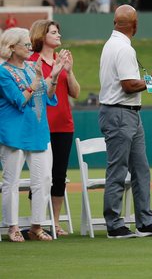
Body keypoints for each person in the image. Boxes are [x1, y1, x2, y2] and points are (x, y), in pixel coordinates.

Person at [98, 5, 152, 238]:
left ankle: (145, 221)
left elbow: (132, 85)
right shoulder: (123, 49)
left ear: (115, 22)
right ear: (135, 24)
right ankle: (114, 224)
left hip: (127, 113)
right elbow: (129, 85)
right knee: (118, 169)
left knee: (140, 169)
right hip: (120, 113)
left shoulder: (113, 45)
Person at [0, 27, 64, 242]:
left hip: (38, 131)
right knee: (12, 181)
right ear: (12, 48)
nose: (30, 48)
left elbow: (47, 96)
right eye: (25, 44)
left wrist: (53, 77)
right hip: (14, 133)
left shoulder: (30, 68)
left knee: (44, 180)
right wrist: (37, 81)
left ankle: (36, 226)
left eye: (29, 44)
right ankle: (13, 227)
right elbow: (19, 100)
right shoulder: (3, 72)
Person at [29, 20, 80, 237]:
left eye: (58, 31)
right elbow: (37, 93)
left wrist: (68, 71)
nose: (58, 35)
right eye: (53, 32)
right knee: (41, 176)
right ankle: (37, 222)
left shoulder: (62, 60)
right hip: (40, 126)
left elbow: (75, 93)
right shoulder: (32, 62)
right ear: (42, 36)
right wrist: (55, 73)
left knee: (59, 176)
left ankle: (55, 223)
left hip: (64, 126)